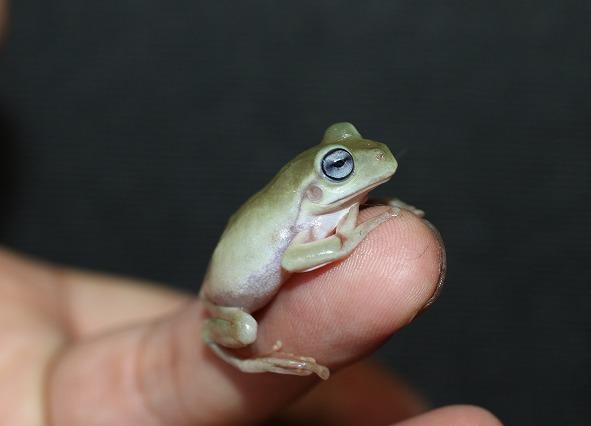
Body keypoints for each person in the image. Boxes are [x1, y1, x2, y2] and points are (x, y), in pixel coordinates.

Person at [0, 2, 501, 424]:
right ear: (312, 186)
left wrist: (372, 219)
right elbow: (293, 261)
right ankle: (241, 359)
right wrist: (351, 240)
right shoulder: (308, 223)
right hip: (230, 302)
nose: (356, 161)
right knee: (247, 333)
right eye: (338, 164)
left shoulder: (321, 210)